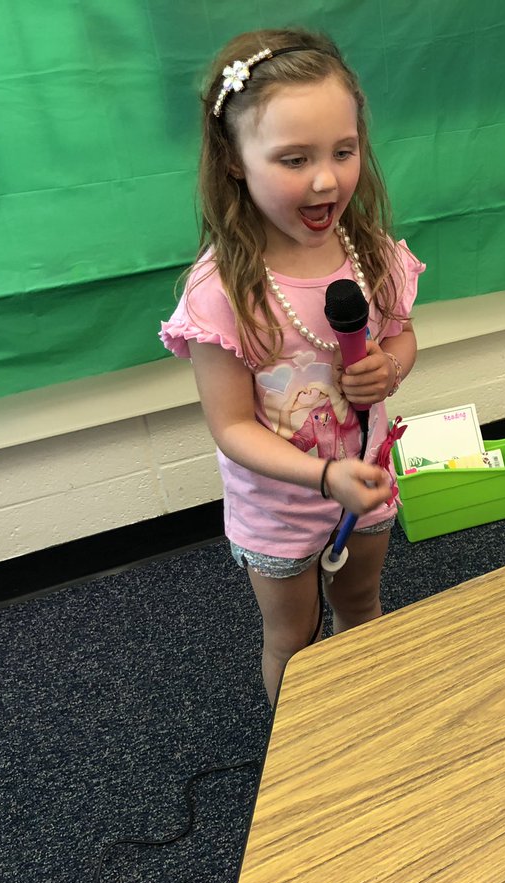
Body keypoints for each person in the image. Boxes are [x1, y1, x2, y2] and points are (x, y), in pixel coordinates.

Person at [160, 27, 424, 704]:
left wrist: (391, 366)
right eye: (293, 158)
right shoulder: (221, 290)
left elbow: (402, 337)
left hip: (365, 482)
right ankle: (301, 760)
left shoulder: (372, 255)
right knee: (294, 638)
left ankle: (364, 719)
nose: (326, 178)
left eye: (344, 150)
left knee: (362, 605)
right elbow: (233, 428)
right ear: (234, 161)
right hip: (277, 507)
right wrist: (321, 475)